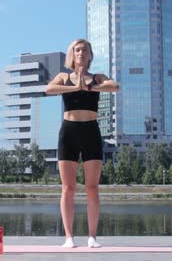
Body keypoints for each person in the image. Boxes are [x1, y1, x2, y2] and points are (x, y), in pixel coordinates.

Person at [45, 39, 119, 248]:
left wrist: (91, 86)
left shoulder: (97, 77)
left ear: (89, 55)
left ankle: (92, 237)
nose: (81, 52)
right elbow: (49, 89)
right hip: (69, 132)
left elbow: (115, 86)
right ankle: (69, 237)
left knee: (92, 187)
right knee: (68, 188)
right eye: (77, 49)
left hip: (91, 132)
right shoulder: (64, 77)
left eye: (85, 50)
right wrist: (75, 87)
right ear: (72, 54)